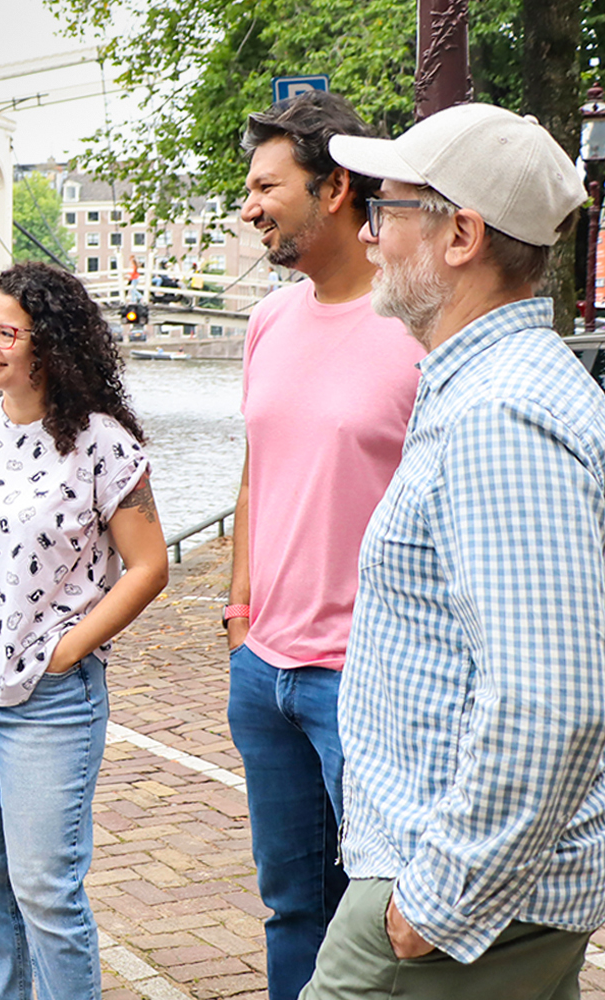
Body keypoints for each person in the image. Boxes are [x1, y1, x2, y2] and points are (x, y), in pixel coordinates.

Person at [302, 103, 605, 998]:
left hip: (457, 898)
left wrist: (435, 903)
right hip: (495, 892)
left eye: (386, 208)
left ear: (461, 234)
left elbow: (552, 700)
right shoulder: (500, 388)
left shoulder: (499, 416)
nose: (367, 230)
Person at [0, 261, 169, 1000]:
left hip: (49, 700)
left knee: (46, 891)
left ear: (48, 344)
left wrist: (70, 649)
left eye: (3, 332)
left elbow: (148, 567)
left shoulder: (102, 445)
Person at [228, 91, 423, 1000]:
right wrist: (239, 616)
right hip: (264, 673)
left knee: (389, 913)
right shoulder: (270, 321)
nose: (249, 205)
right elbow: (255, 473)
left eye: (268, 185)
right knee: (292, 907)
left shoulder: (418, 328)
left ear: (336, 188)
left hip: (370, 679)